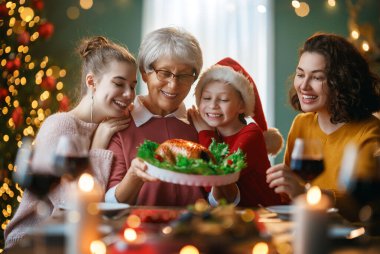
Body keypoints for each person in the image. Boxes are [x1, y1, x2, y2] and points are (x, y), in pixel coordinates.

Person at [4, 36, 137, 248]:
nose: (129, 94)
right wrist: (98, 145)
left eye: (133, 86)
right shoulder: (61, 125)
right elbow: (72, 208)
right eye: (119, 84)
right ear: (91, 82)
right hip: (33, 242)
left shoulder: (113, 126)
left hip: (77, 240)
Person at [105, 27, 239, 206]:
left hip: (195, 230)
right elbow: (110, 202)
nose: (173, 84)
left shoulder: (203, 124)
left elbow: (220, 202)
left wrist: (224, 181)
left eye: (184, 75)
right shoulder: (120, 122)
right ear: (145, 74)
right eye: (165, 73)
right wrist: (134, 176)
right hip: (140, 230)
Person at [266, 33, 380, 218]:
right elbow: (289, 195)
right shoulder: (302, 124)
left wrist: (307, 194)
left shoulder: (370, 131)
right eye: (300, 74)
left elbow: (361, 204)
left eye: (317, 77)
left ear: (342, 82)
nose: (304, 86)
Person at [188, 57, 285, 207]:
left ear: (241, 105)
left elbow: (215, 179)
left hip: (265, 215)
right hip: (234, 216)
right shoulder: (214, 133)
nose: (213, 105)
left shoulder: (251, 135)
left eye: (224, 100)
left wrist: (205, 133)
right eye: (206, 98)